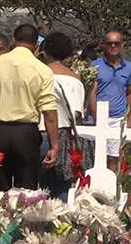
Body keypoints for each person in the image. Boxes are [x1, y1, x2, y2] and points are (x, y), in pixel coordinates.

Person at [0, 24, 59, 191]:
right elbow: (49, 112)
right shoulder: (42, 70)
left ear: (13, 41)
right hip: (26, 134)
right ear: (36, 45)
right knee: (26, 190)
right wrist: (54, 146)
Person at [38, 32, 85, 202]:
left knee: (42, 186)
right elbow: (77, 114)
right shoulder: (76, 80)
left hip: (41, 132)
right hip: (65, 135)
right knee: (63, 186)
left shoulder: (39, 74)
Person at [89, 31, 131, 171]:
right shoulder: (95, 65)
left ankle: (112, 190)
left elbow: (129, 94)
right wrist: (96, 117)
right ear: (104, 45)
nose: (113, 46)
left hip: (118, 118)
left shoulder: (129, 68)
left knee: (115, 158)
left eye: (116, 43)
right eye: (109, 43)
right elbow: (91, 93)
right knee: (97, 157)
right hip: (98, 118)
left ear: (122, 45)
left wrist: (129, 119)